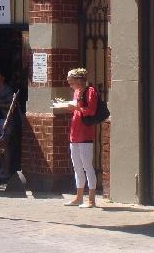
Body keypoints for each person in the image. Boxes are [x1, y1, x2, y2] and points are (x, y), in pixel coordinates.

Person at [65, 67, 98, 208]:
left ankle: (91, 199)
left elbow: (91, 111)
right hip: (75, 132)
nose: (70, 85)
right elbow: (77, 108)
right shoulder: (76, 92)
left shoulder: (90, 91)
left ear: (79, 80)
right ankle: (78, 197)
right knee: (77, 166)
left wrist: (76, 109)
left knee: (87, 166)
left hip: (85, 133)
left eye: (71, 82)